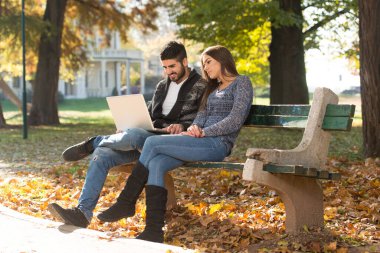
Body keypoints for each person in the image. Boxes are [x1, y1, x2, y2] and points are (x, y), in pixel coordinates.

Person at [100, 45, 254, 243]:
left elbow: (235, 119)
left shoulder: (242, 83)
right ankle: (153, 230)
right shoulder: (212, 88)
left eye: (209, 62)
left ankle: (125, 202)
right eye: (203, 64)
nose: (205, 68)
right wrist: (194, 127)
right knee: (156, 162)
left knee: (152, 143)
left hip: (218, 144)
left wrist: (204, 131)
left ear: (223, 60)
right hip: (198, 139)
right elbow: (201, 115)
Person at [48, 41, 207, 228]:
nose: (168, 72)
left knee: (130, 137)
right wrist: (128, 124)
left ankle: (96, 141)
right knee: (102, 155)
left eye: (172, 66)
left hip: (170, 142)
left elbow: (203, 118)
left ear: (185, 62)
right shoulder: (162, 87)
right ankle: (82, 213)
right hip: (146, 137)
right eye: (165, 67)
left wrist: (181, 126)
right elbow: (149, 115)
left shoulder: (201, 86)